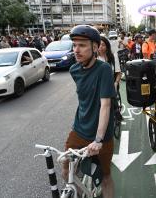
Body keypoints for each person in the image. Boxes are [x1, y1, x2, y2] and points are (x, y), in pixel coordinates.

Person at [63, 25, 115, 198]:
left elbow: (105, 105)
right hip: (79, 129)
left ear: (95, 47)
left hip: (102, 135)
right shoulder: (74, 70)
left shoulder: (104, 69)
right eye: (74, 45)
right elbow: (85, 100)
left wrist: (99, 139)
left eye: (82, 45)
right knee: (66, 172)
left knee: (106, 177)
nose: (76, 50)